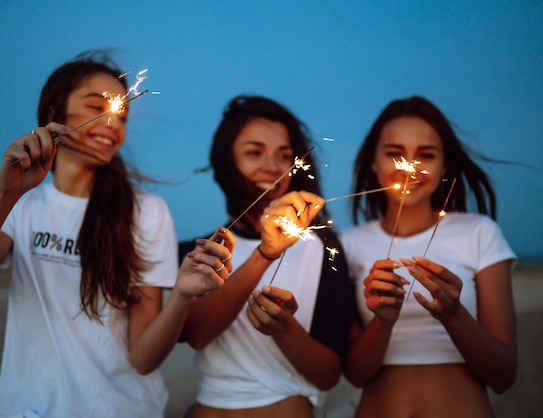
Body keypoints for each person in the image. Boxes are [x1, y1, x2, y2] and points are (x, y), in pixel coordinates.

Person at [0, 50, 235, 418]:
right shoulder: (21, 206)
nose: (113, 124)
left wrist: (182, 296)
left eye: (121, 116)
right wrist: (5, 191)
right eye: (98, 107)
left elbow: (143, 359)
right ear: (52, 115)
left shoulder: (144, 211)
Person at [340, 96, 517, 417]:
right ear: (373, 162)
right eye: (395, 153)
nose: (410, 167)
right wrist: (383, 321)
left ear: (444, 165)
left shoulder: (479, 232)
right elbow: (354, 374)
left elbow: (504, 376)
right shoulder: (349, 244)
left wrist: (452, 314)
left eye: (426, 155)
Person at [180, 95, 356, 418]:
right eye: (254, 152)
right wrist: (264, 254)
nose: (273, 167)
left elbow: (329, 374)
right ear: (225, 161)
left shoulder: (321, 248)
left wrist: (284, 328)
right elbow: (195, 334)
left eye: (284, 155)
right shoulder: (196, 251)